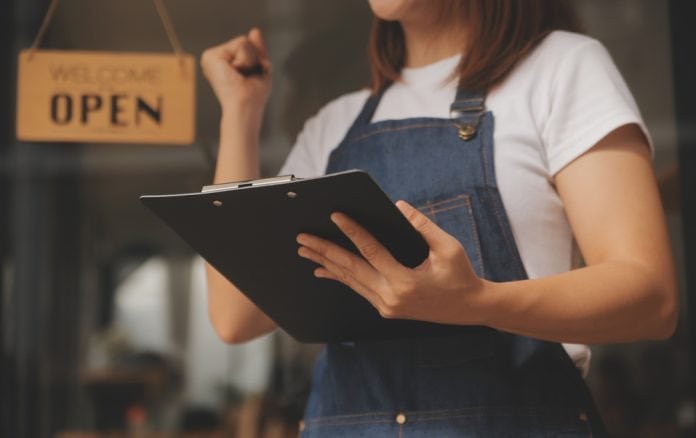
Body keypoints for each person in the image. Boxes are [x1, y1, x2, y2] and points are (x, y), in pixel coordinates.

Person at [200, 0, 678, 435]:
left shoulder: (562, 68)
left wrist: (478, 303)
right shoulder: (333, 125)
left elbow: (649, 296)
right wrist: (240, 114)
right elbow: (235, 315)